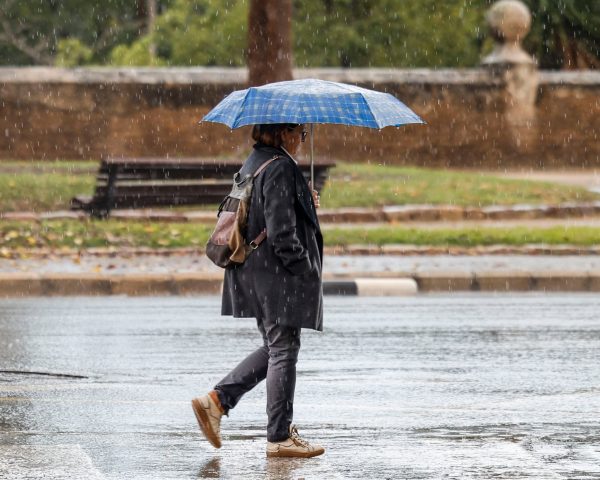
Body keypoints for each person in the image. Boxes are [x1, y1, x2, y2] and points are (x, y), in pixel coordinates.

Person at [191, 123, 325, 458]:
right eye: (300, 133)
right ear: (283, 133)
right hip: (276, 276)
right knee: (284, 349)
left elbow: (265, 215)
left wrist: (304, 201)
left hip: (255, 272)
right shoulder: (280, 167)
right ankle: (279, 437)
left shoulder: (256, 160)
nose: (301, 139)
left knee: (275, 346)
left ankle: (218, 401)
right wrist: (304, 268)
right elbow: (281, 233)